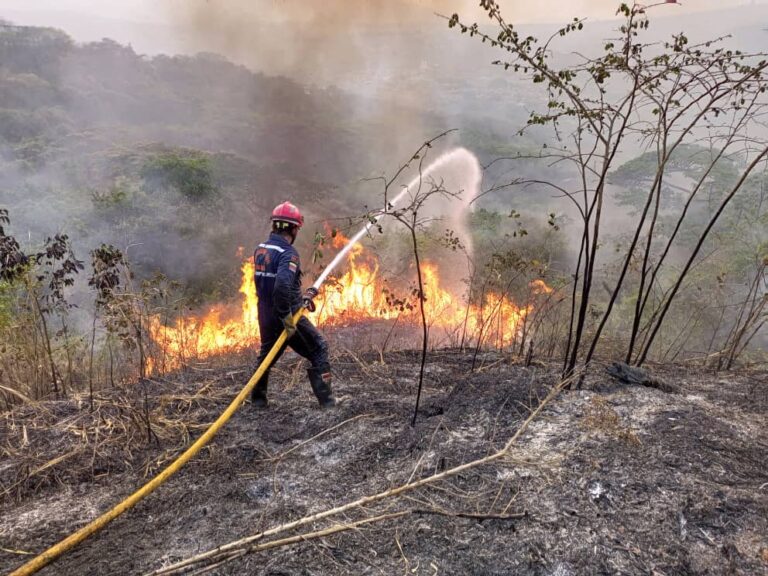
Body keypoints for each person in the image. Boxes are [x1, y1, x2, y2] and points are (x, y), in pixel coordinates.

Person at [250, 201, 336, 408]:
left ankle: (258, 400)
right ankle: (328, 403)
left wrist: (301, 297)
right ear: (294, 229)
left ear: (275, 225)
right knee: (318, 348)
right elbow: (281, 286)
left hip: (265, 314)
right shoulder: (288, 253)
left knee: (267, 355)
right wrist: (287, 317)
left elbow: (269, 283)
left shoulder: (261, 249)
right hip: (287, 315)